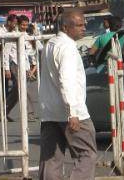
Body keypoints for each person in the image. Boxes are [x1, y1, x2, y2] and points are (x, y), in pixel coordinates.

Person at [38, 9, 96, 180]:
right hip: (71, 112)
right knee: (87, 154)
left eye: (84, 24)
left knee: (50, 160)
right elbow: (67, 80)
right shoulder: (67, 48)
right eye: (78, 25)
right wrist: (73, 112)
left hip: (50, 112)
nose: (83, 28)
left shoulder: (51, 44)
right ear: (65, 27)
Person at [0, 14, 20, 121]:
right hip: (2, 63)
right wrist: (1, 45)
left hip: (12, 62)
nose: (15, 25)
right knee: (4, 88)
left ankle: (3, 108)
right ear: (9, 22)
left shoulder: (14, 32)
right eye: (14, 22)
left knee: (17, 87)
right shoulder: (0, 31)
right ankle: (2, 109)